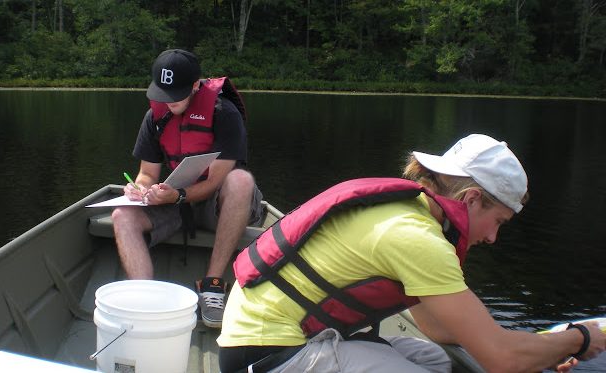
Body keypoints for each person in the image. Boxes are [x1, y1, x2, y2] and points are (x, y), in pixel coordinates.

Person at [217, 134, 606, 372]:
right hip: (269, 355)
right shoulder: (418, 239)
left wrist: (539, 349)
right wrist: (579, 339)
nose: (492, 239)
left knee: (435, 360)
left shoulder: (409, 213)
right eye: (499, 222)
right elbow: (502, 361)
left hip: (259, 341)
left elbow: (438, 330)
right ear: (471, 199)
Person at [112, 49, 264, 328]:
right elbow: (147, 173)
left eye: (175, 94)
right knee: (122, 214)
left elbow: (215, 183)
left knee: (241, 180)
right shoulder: (154, 117)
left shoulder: (224, 114)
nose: (168, 102)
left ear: (195, 86)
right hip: (177, 200)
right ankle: (145, 300)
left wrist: (178, 195)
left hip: (217, 205)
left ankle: (212, 285)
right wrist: (139, 188)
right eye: (163, 94)